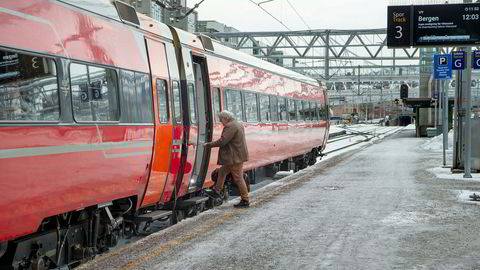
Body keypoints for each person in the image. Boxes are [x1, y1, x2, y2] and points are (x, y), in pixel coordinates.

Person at [204, 110, 250, 208]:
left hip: (234, 157)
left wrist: (208, 145)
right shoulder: (237, 124)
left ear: (226, 118)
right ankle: (217, 190)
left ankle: (245, 200)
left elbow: (222, 141)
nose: (221, 122)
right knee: (222, 171)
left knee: (238, 178)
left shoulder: (230, 126)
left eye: (221, 120)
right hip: (235, 156)